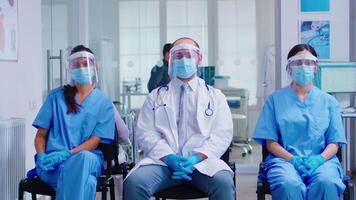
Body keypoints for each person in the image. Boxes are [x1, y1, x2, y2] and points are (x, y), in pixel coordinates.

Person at [123, 37, 235, 200]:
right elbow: (145, 133)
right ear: (171, 60)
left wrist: (196, 157)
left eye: (189, 55)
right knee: (135, 182)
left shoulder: (215, 96)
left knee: (223, 183)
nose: (184, 60)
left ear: (199, 59)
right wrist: (169, 158)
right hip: (163, 163)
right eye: (179, 55)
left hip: (202, 164)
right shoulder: (156, 96)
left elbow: (222, 134)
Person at [253, 44, 347, 200]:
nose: (303, 66)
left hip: (322, 161)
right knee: (289, 184)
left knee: (327, 182)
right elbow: (270, 143)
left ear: (316, 67)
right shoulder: (274, 101)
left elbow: (334, 142)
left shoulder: (329, 102)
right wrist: (293, 159)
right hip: (285, 161)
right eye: (298, 62)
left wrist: (319, 159)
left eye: (308, 62)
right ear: (289, 68)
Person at [31, 45, 115, 200]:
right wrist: (41, 155)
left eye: (85, 63)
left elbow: (94, 142)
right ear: (70, 68)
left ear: (94, 66)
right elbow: (40, 136)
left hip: (88, 159)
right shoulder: (55, 97)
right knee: (88, 183)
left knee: (83, 158)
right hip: (54, 165)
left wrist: (67, 154)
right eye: (76, 64)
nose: (81, 68)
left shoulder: (103, 103)